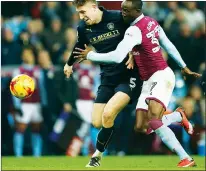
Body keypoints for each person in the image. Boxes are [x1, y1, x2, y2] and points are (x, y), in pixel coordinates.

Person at [73, 0, 202, 167]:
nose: (123, 13)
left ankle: (185, 157)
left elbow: (117, 57)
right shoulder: (151, 22)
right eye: (122, 10)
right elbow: (167, 44)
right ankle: (178, 116)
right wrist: (183, 66)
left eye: (127, 10)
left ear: (137, 11)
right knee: (142, 127)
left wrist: (90, 55)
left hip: (161, 75)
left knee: (154, 120)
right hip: (147, 80)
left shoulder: (134, 30)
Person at [63, 0, 141, 167]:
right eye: (78, 13)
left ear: (94, 7)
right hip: (107, 77)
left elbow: (139, 32)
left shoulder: (119, 17)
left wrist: (134, 52)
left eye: (83, 12)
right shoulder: (84, 29)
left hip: (128, 75)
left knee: (108, 114)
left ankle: (96, 156)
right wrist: (69, 64)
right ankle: (112, 121)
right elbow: (79, 46)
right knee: (97, 122)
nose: (80, 16)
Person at [12, 47, 45, 157]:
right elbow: (14, 90)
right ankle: (18, 155)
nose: (28, 56)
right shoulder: (18, 71)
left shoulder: (38, 70)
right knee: (20, 128)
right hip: (24, 104)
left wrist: (44, 104)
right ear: (22, 56)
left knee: (37, 129)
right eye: (25, 54)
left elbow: (42, 89)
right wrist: (17, 105)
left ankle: (37, 154)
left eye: (29, 54)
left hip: (36, 104)